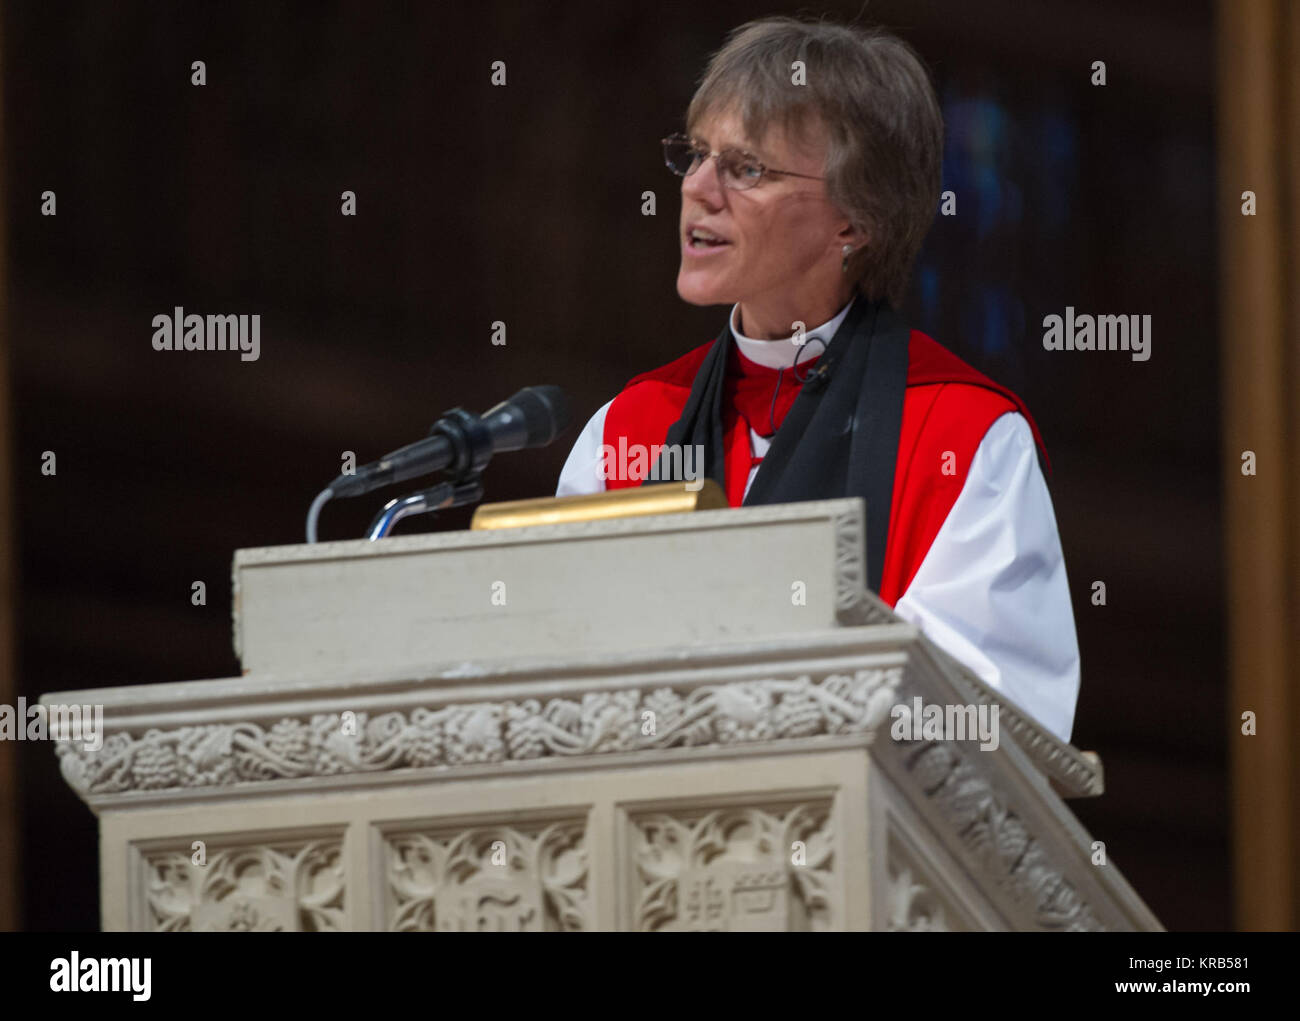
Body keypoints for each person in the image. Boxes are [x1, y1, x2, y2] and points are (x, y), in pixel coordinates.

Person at [557, 16, 1080, 743]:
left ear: (855, 221)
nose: (700, 189)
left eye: (747, 169)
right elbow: (554, 670)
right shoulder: (629, 427)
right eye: (697, 155)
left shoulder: (962, 437)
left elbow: (995, 719)